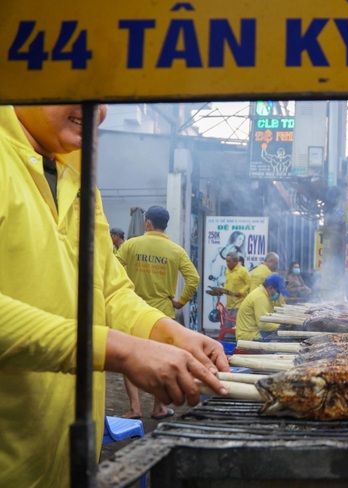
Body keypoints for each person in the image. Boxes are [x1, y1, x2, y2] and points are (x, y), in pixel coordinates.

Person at [0, 104, 228, 487]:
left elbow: (108, 290)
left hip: (68, 465)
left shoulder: (79, 180)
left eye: (103, 94)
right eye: (76, 84)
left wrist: (169, 334)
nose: (98, 110)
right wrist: (120, 350)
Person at [116, 205, 201, 420]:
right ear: (165, 225)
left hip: (133, 312)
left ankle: (135, 408)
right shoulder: (176, 250)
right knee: (162, 361)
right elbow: (194, 279)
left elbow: (112, 269)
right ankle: (158, 408)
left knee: (128, 360)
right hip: (162, 316)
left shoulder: (131, 245)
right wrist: (181, 302)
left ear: (147, 223)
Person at [235, 274, 289, 341]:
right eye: (278, 291)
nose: (279, 294)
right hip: (249, 335)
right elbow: (263, 324)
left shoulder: (265, 295)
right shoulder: (260, 298)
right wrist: (281, 327)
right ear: (270, 287)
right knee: (276, 342)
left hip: (255, 330)